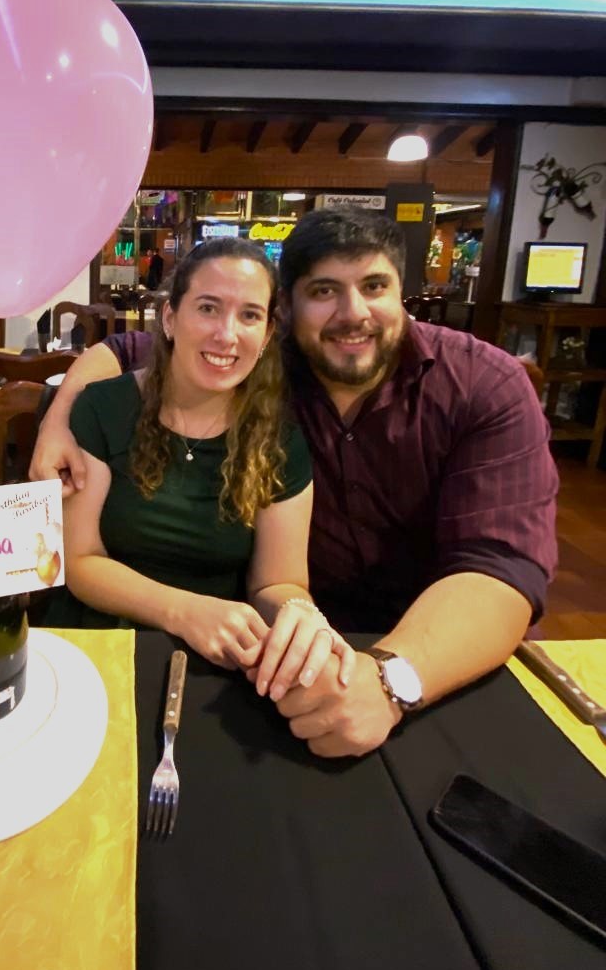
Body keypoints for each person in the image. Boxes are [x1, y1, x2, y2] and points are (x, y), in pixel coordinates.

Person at [32, 209, 558, 758]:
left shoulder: (482, 386)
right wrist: (58, 414)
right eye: (324, 290)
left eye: (374, 286)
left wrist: (384, 677)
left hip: (436, 656)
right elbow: (136, 353)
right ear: (291, 311)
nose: (353, 313)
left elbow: (500, 567)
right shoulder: (260, 364)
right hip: (278, 656)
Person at [59, 236, 356, 690]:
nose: (227, 334)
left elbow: (277, 583)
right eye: (208, 308)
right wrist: (184, 611)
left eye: (250, 315)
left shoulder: (280, 438)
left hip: (212, 661)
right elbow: (80, 562)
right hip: (98, 641)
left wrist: (300, 615)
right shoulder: (104, 408)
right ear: (170, 318)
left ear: (267, 335)